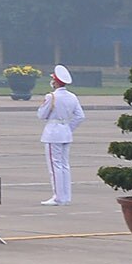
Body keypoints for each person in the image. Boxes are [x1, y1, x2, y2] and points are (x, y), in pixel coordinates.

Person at [38, 62, 86, 205]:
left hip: (53, 133)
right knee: (64, 165)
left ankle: (58, 197)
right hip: (65, 132)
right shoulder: (72, 97)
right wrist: (68, 128)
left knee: (55, 166)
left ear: (56, 82)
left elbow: (41, 115)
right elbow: (80, 116)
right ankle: (65, 196)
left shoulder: (51, 97)